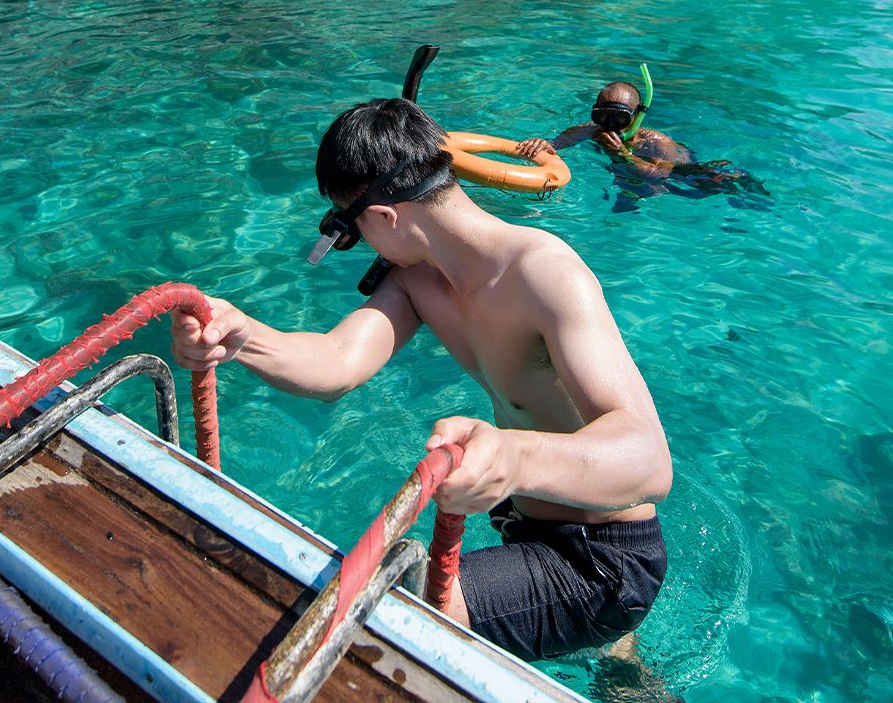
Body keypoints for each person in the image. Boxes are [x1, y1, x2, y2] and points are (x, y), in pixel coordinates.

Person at [171, 97, 673, 663]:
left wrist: (515, 458)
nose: (359, 248)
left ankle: (613, 638)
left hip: (601, 559)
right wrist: (244, 337)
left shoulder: (542, 273)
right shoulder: (419, 282)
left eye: (351, 232)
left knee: (392, 611)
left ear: (385, 217)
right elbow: (337, 363)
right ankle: (619, 657)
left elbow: (650, 462)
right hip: (523, 516)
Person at [516, 78, 771, 213]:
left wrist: (623, 154)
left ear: (637, 116)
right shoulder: (591, 131)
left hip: (681, 175)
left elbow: (663, 174)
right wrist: (541, 144)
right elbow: (556, 144)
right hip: (632, 172)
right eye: (602, 116)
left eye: (619, 118)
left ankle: (739, 182)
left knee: (689, 185)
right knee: (628, 194)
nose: (609, 125)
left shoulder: (657, 142)